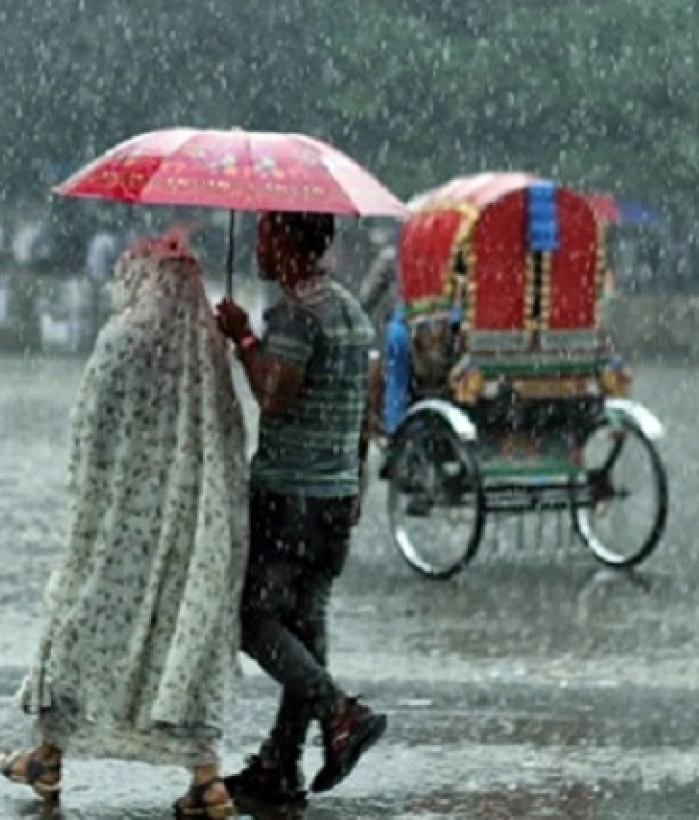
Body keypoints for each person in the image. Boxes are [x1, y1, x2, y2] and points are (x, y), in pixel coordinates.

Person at [0, 231, 250, 818]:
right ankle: (206, 776)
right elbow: (228, 434)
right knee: (179, 639)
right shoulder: (206, 348)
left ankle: (49, 752)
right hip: (188, 531)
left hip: (119, 525)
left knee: (81, 623)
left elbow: (89, 431)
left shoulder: (120, 340)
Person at [214, 211, 389, 809]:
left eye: (267, 233)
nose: (260, 243)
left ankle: (340, 711)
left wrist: (241, 338)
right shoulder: (351, 309)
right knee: (306, 625)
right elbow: (364, 411)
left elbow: (274, 395)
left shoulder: (296, 311)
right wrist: (357, 484)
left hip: (290, 497)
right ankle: (280, 766)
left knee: (250, 620)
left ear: (289, 241)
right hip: (336, 496)